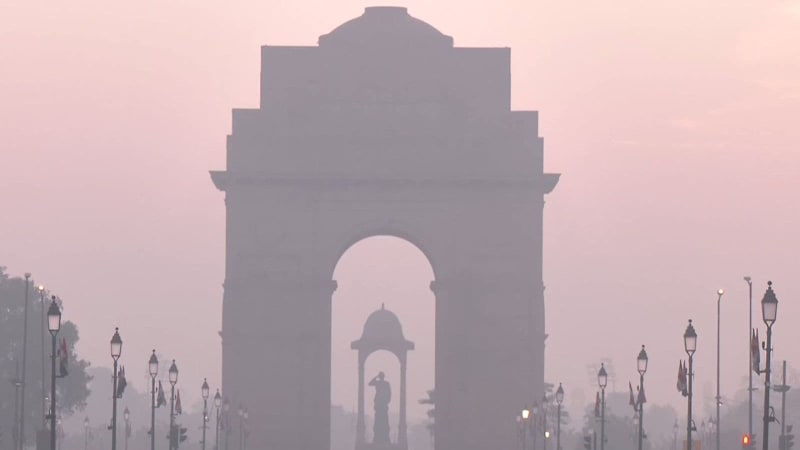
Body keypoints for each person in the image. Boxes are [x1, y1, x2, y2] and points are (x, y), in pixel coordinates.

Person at [369, 372, 391, 444]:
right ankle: (381, 436)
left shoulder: (381, 383)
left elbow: (389, 393)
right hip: (381, 403)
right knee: (380, 420)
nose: (381, 377)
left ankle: (381, 436)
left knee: (382, 420)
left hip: (381, 403)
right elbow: (370, 383)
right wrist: (387, 400)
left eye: (381, 376)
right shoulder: (384, 383)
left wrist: (376, 377)